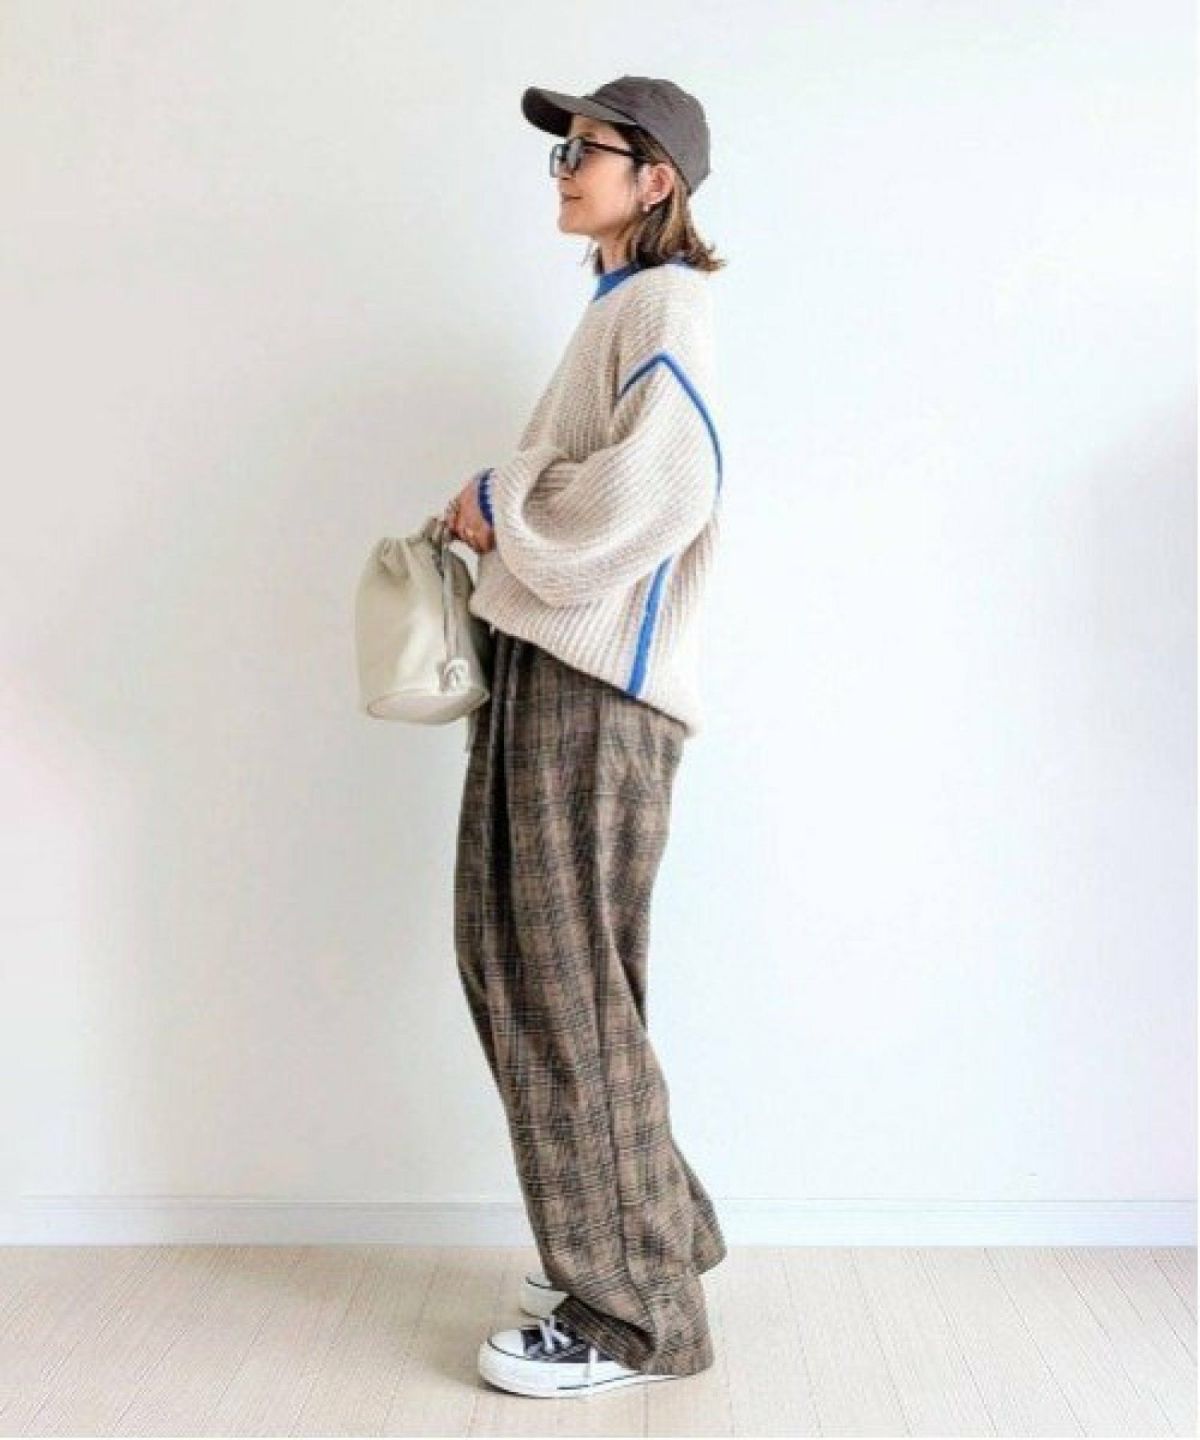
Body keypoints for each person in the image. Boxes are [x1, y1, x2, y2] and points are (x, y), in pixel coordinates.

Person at [444, 76, 728, 1400]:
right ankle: (651, 1240)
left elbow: (668, 484)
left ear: (653, 177)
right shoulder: (619, 303)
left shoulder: (664, 303)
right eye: (559, 151)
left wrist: (503, 498)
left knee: (562, 986)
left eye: (584, 151)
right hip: (557, 669)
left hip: (596, 687)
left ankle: (636, 1313)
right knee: (518, 961)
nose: (562, 169)